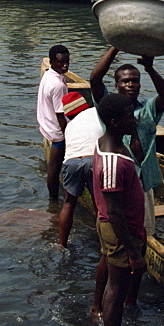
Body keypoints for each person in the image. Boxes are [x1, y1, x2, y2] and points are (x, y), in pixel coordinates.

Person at [90, 48, 164, 320]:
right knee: (111, 256)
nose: (130, 85)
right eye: (125, 81)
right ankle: (98, 305)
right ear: (117, 85)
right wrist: (115, 45)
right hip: (117, 187)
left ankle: (129, 303)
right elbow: (94, 81)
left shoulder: (145, 110)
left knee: (142, 245)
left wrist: (150, 67)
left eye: (134, 81)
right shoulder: (110, 111)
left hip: (142, 184)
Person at [91, 93, 144, 326]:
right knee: (117, 289)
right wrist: (133, 252)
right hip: (120, 229)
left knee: (115, 281)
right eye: (129, 117)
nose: (134, 120)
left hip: (114, 225)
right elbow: (114, 210)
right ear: (114, 122)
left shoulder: (106, 142)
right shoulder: (112, 162)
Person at [57, 92, 103, 245]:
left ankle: (62, 244)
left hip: (71, 162)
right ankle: (104, 244)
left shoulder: (69, 126)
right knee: (99, 205)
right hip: (93, 160)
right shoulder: (96, 112)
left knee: (69, 203)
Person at [37, 45, 71, 203]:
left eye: (67, 62)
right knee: (54, 168)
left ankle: (53, 199)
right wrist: (69, 137)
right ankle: (53, 201)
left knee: (54, 167)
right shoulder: (58, 85)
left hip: (47, 126)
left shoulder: (49, 75)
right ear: (51, 62)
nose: (64, 65)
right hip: (57, 133)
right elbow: (61, 116)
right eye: (60, 62)